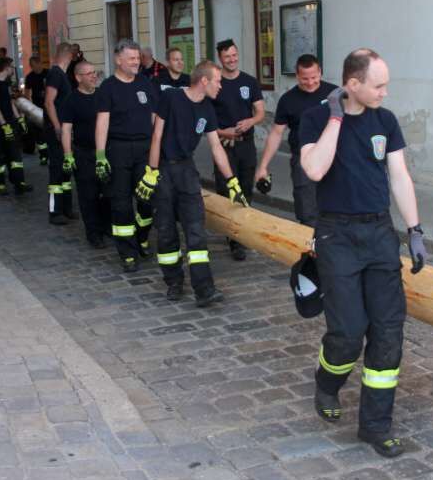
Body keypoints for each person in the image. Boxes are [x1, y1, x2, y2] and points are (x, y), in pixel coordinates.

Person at [299, 48, 426, 459]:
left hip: (378, 234)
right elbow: (315, 169)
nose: (385, 93)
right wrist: (336, 117)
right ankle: (327, 381)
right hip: (336, 235)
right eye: (378, 85)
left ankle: (375, 425)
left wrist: (415, 229)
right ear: (352, 85)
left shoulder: (385, 122)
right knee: (349, 332)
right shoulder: (316, 119)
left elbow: (399, 176)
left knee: (389, 331)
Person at [142, 60, 247, 306]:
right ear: (204, 81)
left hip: (187, 171)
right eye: (218, 81)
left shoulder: (208, 109)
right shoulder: (171, 99)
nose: (220, 86)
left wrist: (232, 181)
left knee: (196, 231)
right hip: (165, 169)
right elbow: (156, 136)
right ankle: (174, 282)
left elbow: (215, 146)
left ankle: (204, 289)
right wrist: (151, 172)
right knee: (166, 231)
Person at [94, 39, 159, 272]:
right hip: (118, 150)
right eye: (131, 58)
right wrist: (100, 156)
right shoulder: (108, 88)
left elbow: (154, 116)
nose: (136, 62)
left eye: (138, 58)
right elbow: (102, 123)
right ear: (118, 60)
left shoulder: (145, 83)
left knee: (146, 201)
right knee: (121, 205)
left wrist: (157, 147)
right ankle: (128, 253)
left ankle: (142, 237)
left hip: (144, 149)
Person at [255, 54, 337, 226]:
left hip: (334, 158)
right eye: (305, 78)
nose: (310, 82)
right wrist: (263, 166)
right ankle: (311, 248)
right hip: (303, 160)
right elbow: (276, 133)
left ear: (320, 72)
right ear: (297, 75)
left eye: (314, 77)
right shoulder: (288, 100)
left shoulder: (334, 94)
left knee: (337, 208)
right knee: (307, 211)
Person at [210, 39, 265, 260]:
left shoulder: (249, 81)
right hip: (224, 147)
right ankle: (233, 239)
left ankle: (242, 232)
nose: (232, 59)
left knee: (246, 189)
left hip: (246, 145)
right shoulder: (216, 83)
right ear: (220, 59)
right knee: (227, 191)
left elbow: (260, 112)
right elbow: (207, 118)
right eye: (227, 57)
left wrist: (250, 122)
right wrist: (225, 132)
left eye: (234, 55)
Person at [62, 60, 112, 248]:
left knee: (108, 193)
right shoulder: (71, 100)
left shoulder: (102, 96)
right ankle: (93, 233)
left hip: (104, 154)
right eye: (89, 73)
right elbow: (66, 129)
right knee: (88, 196)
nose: (94, 76)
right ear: (78, 77)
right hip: (83, 154)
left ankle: (107, 226)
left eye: (94, 72)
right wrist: (68, 155)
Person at [0, 57, 32, 196]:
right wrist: (4, 126)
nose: (12, 69)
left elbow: (10, 103)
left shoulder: (5, 84)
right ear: (5, 68)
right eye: (11, 67)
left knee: (15, 155)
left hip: (10, 123)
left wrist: (19, 119)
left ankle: (19, 182)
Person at [43, 44, 76, 225]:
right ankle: (55, 211)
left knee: (65, 170)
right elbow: (49, 102)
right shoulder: (56, 74)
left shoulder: (61, 75)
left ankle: (66, 208)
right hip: (58, 130)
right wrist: (57, 127)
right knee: (57, 170)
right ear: (68, 56)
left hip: (65, 129)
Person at [24, 55, 50, 165]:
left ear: (40, 63)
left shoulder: (48, 73)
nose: (35, 68)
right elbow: (27, 92)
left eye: (36, 65)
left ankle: (53, 153)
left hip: (49, 107)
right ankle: (43, 155)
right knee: (39, 133)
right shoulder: (30, 77)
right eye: (32, 66)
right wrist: (28, 106)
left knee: (50, 131)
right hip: (37, 107)